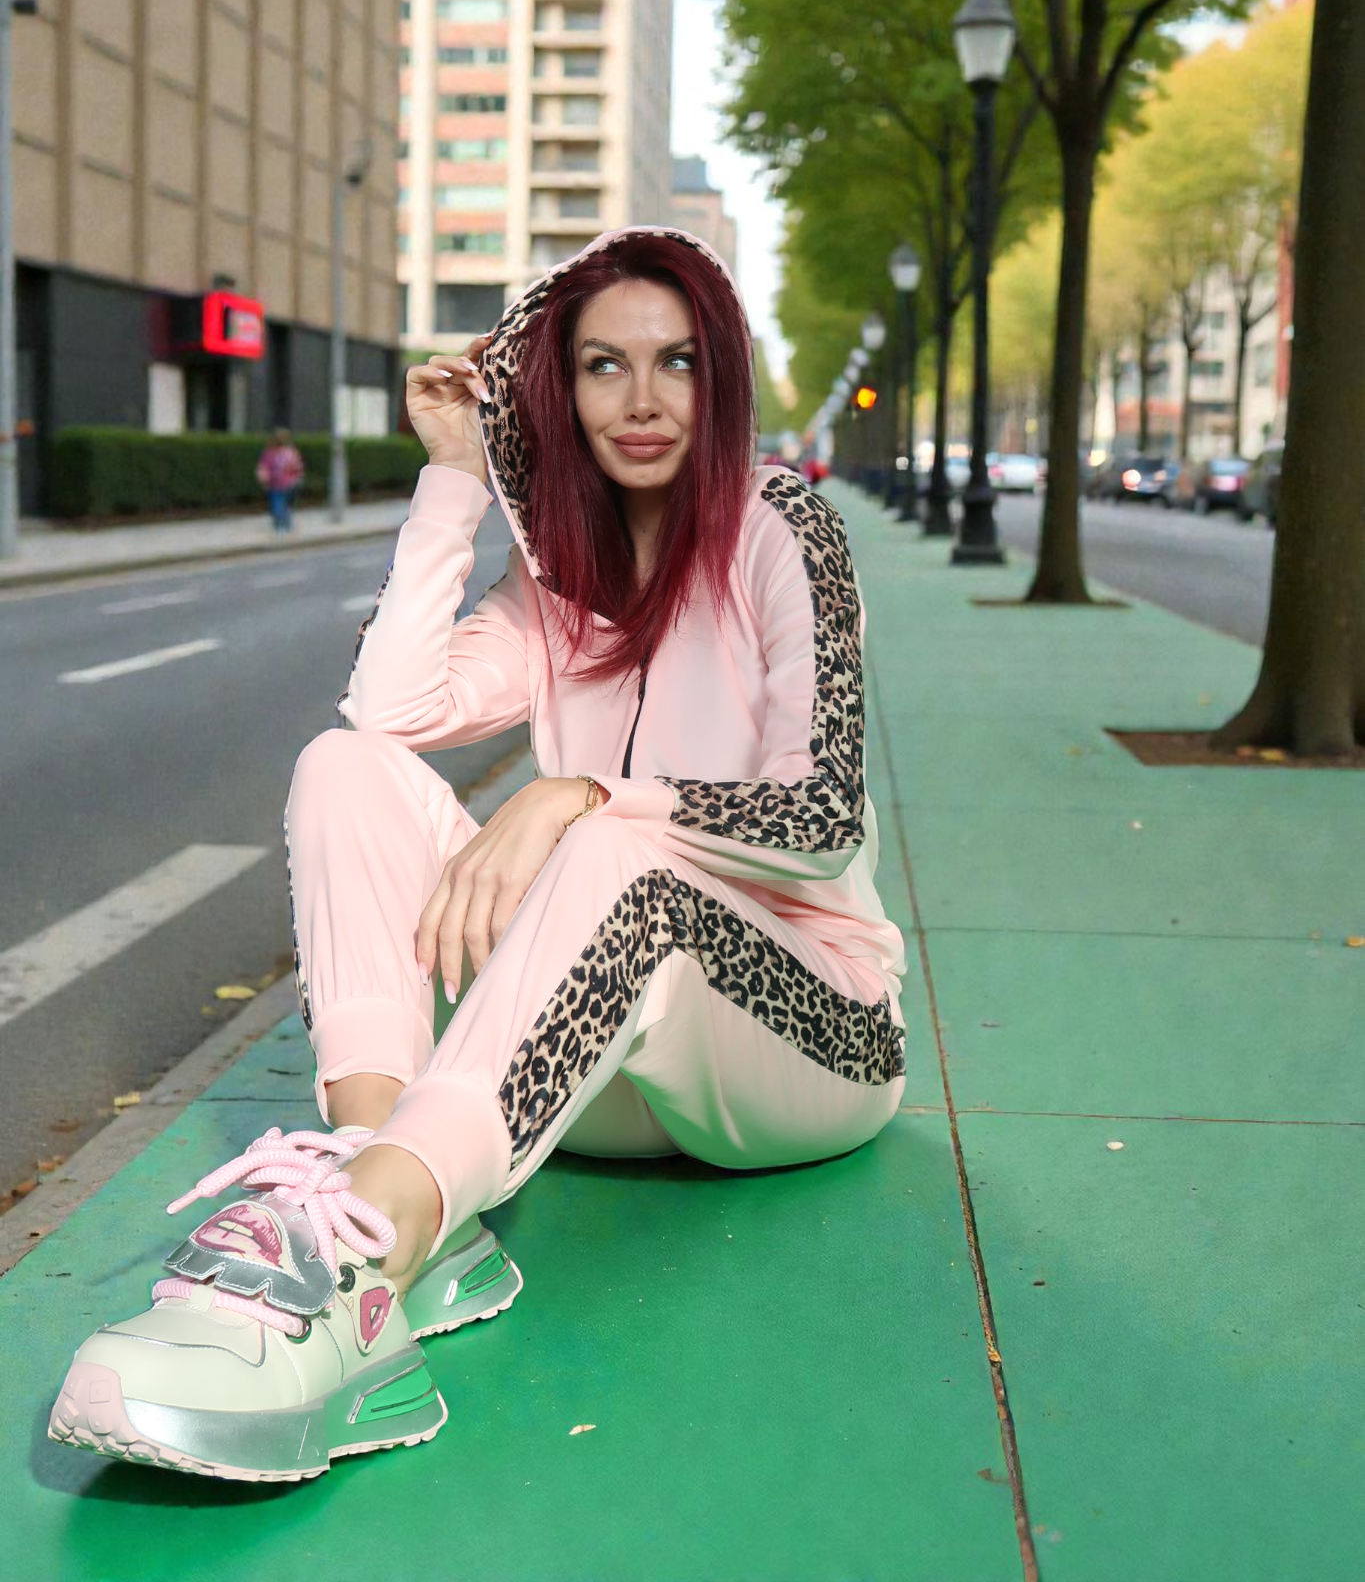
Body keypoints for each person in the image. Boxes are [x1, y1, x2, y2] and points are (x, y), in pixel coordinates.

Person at [49, 228, 908, 1483]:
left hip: (802, 1037)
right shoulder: (558, 578)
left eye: (676, 361)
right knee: (344, 768)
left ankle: (360, 1264)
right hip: (585, 1056)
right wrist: (453, 474)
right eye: (603, 364)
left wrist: (581, 794)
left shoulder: (788, 528)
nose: (643, 398)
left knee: (615, 853)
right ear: (560, 388)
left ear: (720, 376)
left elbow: (820, 814)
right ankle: (389, 1202)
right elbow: (387, 710)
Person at [255, 427, 305, 534]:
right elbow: (298, 467)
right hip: (291, 484)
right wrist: (298, 478)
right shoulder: (292, 452)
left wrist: (264, 481)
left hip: (275, 484)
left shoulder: (269, 453)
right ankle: (287, 524)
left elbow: (263, 468)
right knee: (287, 505)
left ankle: (280, 526)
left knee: (277, 504)